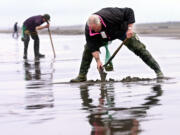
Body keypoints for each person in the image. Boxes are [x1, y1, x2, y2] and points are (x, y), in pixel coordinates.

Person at [71, 7, 164, 82]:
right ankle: (82, 76)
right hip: (102, 37)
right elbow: (92, 45)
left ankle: (158, 71)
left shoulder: (111, 15)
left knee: (139, 48)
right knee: (88, 48)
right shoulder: (89, 28)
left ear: (99, 22)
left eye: (96, 29)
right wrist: (98, 61)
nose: (94, 30)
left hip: (121, 31)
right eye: (92, 29)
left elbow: (129, 11)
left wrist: (130, 29)